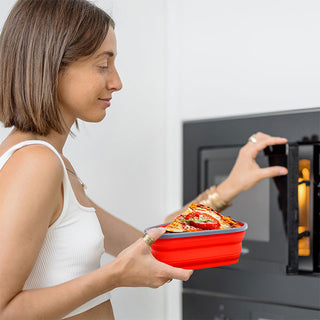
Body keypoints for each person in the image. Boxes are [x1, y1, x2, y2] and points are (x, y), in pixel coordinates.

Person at [0, 0, 288, 319]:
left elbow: (148, 243)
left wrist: (228, 189)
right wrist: (113, 276)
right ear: (53, 65)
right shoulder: (35, 163)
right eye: (102, 64)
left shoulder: (54, 163)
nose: (117, 82)